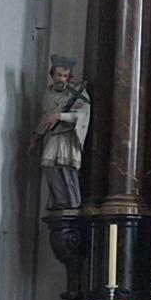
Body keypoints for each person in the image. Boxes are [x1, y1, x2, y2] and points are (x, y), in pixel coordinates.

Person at [33, 58, 90, 211]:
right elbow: (46, 116)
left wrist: (60, 117)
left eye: (65, 76)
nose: (62, 79)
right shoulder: (48, 93)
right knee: (47, 165)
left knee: (65, 167)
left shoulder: (78, 92)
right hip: (52, 134)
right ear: (53, 75)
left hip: (67, 136)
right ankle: (60, 199)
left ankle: (71, 201)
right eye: (59, 75)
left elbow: (83, 114)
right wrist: (36, 137)